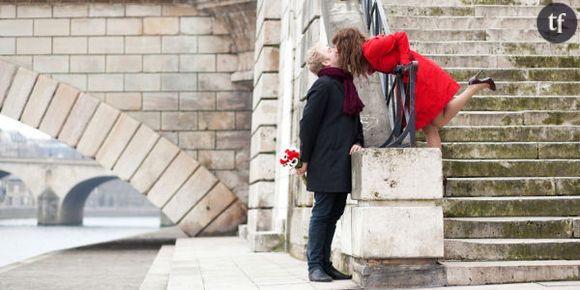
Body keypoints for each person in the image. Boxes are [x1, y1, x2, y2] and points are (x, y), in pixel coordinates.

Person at [331, 27, 496, 148]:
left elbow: (400, 36)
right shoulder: (367, 52)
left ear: (348, 46)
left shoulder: (370, 49)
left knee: (437, 121)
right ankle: (436, 175)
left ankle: (473, 87)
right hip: (409, 78)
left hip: (417, 75)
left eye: (339, 49)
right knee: (429, 127)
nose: (338, 52)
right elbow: (385, 59)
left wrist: (404, 63)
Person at [297, 43, 364, 282]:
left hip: (342, 160)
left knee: (334, 213)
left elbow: (355, 121)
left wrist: (358, 141)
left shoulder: (346, 83)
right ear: (325, 62)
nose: (334, 48)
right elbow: (308, 124)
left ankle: (326, 264)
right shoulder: (323, 86)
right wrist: (303, 159)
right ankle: (314, 265)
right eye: (329, 49)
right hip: (325, 160)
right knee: (323, 212)